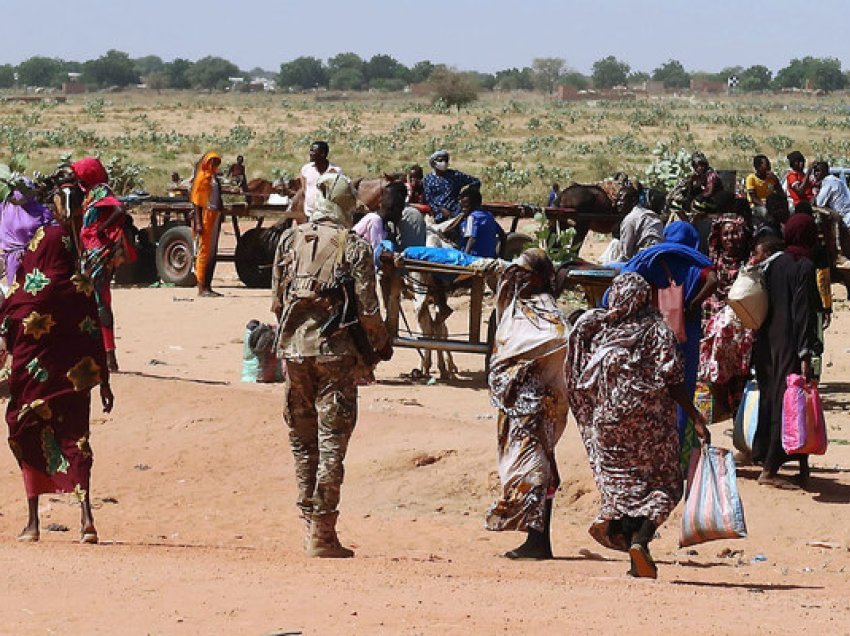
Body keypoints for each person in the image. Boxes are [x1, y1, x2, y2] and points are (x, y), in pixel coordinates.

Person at [271, 172, 393, 558]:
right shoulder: (353, 246)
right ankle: (323, 534)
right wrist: (380, 343)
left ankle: (308, 523)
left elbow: (276, 301)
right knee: (330, 444)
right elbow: (368, 310)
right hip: (335, 356)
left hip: (293, 351)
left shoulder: (290, 239)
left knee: (301, 441)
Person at [567, 273, 709, 578]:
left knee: (623, 489)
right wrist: (694, 415)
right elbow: (673, 381)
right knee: (666, 484)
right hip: (650, 428)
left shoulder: (602, 333)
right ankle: (641, 541)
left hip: (608, 426)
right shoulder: (659, 331)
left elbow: (581, 373)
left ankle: (632, 552)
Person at [0, 186, 114, 544]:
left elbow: (10, 324)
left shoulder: (26, 294)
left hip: (33, 383)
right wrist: (106, 383)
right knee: (75, 439)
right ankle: (86, 519)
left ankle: (33, 523)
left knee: (27, 431)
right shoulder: (80, 289)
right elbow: (97, 336)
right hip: (73, 384)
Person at [485, 249, 569, 560]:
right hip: (515, 406)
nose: (515, 277)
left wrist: (523, 370)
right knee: (537, 470)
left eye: (522, 272)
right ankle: (536, 538)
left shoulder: (548, 314)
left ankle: (538, 540)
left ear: (535, 277)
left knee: (537, 472)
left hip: (538, 407)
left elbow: (557, 344)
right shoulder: (515, 307)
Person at [621, 222, 718, 466]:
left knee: (651, 387)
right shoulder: (696, 262)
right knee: (682, 388)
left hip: (649, 335)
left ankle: (646, 450)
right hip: (685, 335)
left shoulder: (649, 258)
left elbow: (622, 279)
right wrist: (692, 304)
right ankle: (675, 452)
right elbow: (714, 280)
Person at [751, 213, 822, 487]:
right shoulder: (803, 266)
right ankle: (769, 469)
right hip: (790, 343)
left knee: (775, 399)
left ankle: (793, 465)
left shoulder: (774, 262)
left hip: (768, 342)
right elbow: (801, 311)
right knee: (791, 403)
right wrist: (805, 352)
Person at [71, 157, 135, 372]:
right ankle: (100, 353)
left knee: (99, 300)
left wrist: (101, 229)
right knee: (93, 300)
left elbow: (119, 210)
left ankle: (109, 355)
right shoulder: (90, 192)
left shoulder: (100, 190)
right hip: (91, 252)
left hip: (98, 253)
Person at [698, 215, 754, 421]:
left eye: (735, 233)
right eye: (726, 234)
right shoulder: (712, 262)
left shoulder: (750, 262)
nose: (731, 238)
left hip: (743, 328)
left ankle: (740, 415)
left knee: (741, 375)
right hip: (716, 327)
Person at [189, 151, 224, 297]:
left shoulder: (213, 178)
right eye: (212, 162)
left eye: (216, 162)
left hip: (214, 216)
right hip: (204, 217)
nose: (214, 165)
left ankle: (208, 286)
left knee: (211, 252)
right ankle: (201, 286)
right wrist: (198, 223)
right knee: (203, 252)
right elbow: (196, 202)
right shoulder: (202, 178)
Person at [422, 150, 480, 223]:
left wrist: (466, 195)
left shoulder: (455, 175)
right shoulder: (428, 179)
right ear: (434, 163)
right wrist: (440, 209)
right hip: (438, 215)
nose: (444, 162)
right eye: (441, 160)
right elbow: (429, 199)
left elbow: (475, 182)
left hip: (457, 212)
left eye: (446, 160)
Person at [812, 160, 850, 267]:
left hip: (845, 220)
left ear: (825, 171)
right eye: (814, 171)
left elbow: (819, 203)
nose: (815, 174)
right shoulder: (837, 181)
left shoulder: (828, 182)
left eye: (818, 171)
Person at [353, 182, 405, 251]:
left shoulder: (384, 224)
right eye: (400, 211)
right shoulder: (375, 220)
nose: (400, 216)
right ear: (393, 209)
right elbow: (378, 253)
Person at [617, 186, 664, 260]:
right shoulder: (653, 216)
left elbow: (625, 255)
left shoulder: (630, 219)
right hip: (659, 259)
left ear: (634, 200)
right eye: (617, 200)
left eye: (621, 200)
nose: (618, 203)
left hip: (643, 261)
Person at [300, 141, 341, 220]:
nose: (310, 153)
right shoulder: (306, 169)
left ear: (322, 153)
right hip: (309, 213)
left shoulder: (335, 171)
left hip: (328, 215)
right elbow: (304, 189)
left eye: (313, 151)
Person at [460, 186, 505, 258]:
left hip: (474, 257)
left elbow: (472, 239)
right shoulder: (489, 215)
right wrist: (500, 255)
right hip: (489, 258)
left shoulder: (472, 217)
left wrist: (465, 257)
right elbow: (502, 234)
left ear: (473, 204)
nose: (463, 209)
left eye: (465, 206)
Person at [746, 155, 781, 221]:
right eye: (766, 164)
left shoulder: (771, 178)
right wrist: (766, 205)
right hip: (757, 206)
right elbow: (754, 199)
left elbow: (780, 193)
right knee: (765, 212)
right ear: (758, 167)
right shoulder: (751, 178)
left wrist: (776, 180)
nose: (769, 167)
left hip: (771, 204)